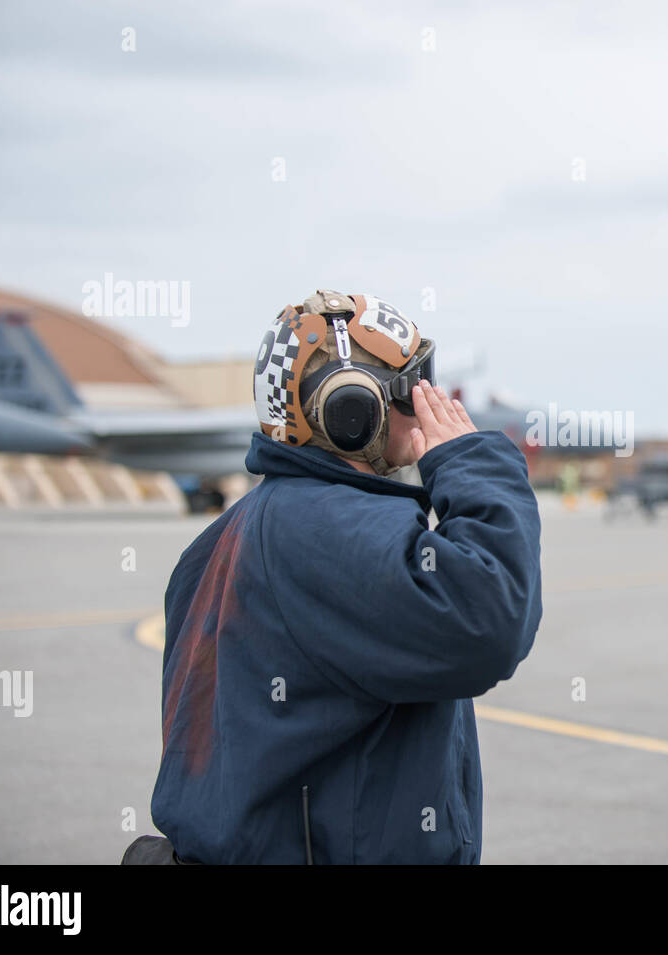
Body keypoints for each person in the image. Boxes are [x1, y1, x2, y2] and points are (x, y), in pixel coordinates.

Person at [144, 289, 543, 864]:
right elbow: (489, 618)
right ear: (350, 409)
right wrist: (473, 464)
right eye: (410, 383)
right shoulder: (328, 529)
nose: (429, 399)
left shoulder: (225, 537)